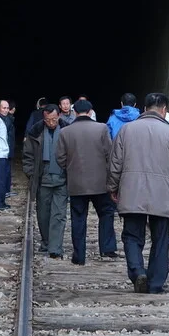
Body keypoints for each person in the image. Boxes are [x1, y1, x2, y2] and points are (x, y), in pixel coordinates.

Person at [108, 93, 169, 293]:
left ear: (144, 109)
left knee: (132, 235)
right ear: (164, 110)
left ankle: (138, 271)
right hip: (162, 194)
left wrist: (112, 187)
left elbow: (115, 164)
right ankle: (156, 283)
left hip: (132, 191)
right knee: (160, 238)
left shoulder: (126, 130)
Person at [57, 99, 117, 265]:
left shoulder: (65, 132)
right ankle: (107, 248)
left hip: (76, 183)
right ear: (91, 112)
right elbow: (109, 154)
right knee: (106, 213)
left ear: (75, 112)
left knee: (78, 218)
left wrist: (70, 169)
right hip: (100, 183)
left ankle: (79, 256)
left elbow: (60, 158)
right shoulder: (102, 128)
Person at [23, 104, 69, 258]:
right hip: (43, 178)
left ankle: (55, 248)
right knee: (43, 214)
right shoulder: (35, 132)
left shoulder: (67, 130)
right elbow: (28, 155)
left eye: (54, 120)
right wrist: (31, 173)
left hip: (62, 178)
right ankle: (46, 242)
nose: (51, 123)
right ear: (44, 118)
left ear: (59, 117)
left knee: (59, 214)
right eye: (48, 120)